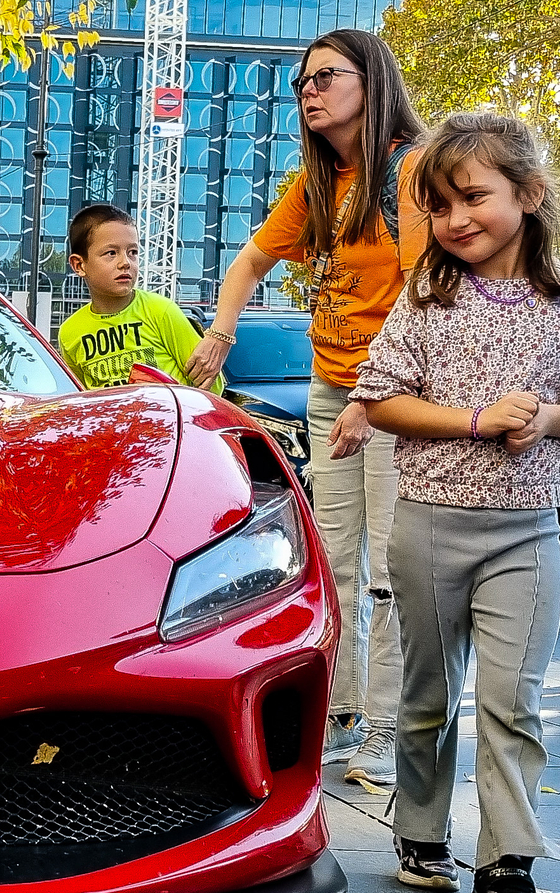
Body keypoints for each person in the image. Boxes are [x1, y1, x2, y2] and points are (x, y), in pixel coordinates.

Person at [353, 112, 560, 893]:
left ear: (530, 195)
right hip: (430, 525)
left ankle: (505, 876)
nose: (455, 219)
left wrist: (549, 421)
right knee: (427, 697)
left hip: (529, 531)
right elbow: (383, 396)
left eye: (473, 197)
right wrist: (473, 419)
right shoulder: (428, 293)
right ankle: (421, 827)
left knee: (514, 701)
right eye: (439, 206)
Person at [184, 28, 425, 785]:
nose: (309, 91)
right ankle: (346, 716)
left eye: (326, 76)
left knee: (390, 569)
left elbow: (424, 297)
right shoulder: (321, 181)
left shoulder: (409, 171)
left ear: (372, 80)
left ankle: (392, 727)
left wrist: (373, 395)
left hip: (393, 401)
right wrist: (220, 334)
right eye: (302, 83)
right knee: (337, 565)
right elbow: (252, 258)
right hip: (330, 392)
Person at [56, 204, 220, 391]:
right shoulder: (70, 332)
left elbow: (212, 384)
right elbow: (80, 398)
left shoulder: (161, 311)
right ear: (79, 265)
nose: (125, 262)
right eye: (111, 253)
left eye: (132, 252)